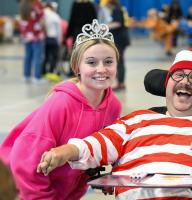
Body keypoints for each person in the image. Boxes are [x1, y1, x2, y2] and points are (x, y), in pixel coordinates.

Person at [37, 47, 192, 199]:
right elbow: (100, 143)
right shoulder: (137, 120)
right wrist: (66, 150)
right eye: (178, 76)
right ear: (168, 85)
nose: (185, 82)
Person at [0, 20, 122, 199]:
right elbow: (25, 161)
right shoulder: (61, 103)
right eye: (91, 62)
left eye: (108, 62)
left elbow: (98, 149)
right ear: (76, 67)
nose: (101, 69)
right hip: (22, 190)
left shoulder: (113, 105)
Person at [106, 0, 131, 91]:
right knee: (119, 61)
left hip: (119, 40)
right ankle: (120, 83)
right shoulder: (119, 8)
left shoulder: (116, 10)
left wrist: (104, 27)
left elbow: (117, 23)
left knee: (119, 62)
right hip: (121, 39)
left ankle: (120, 83)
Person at [18, 0, 46, 84]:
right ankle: (37, 77)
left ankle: (26, 76)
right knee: (37, 57)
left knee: (28, 56)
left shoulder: (23, 3)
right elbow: (42, 19)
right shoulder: (37, 4)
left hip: (26, 34)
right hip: (36, 35)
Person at [42, 2, 62, 82]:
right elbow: (58, 31)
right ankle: (51, 72)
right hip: (53, 39)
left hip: (44, 39)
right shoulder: (55, 16)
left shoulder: (42, 14)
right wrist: (59, 41)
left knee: (45, 57)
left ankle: (43, 72)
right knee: (53, 57)